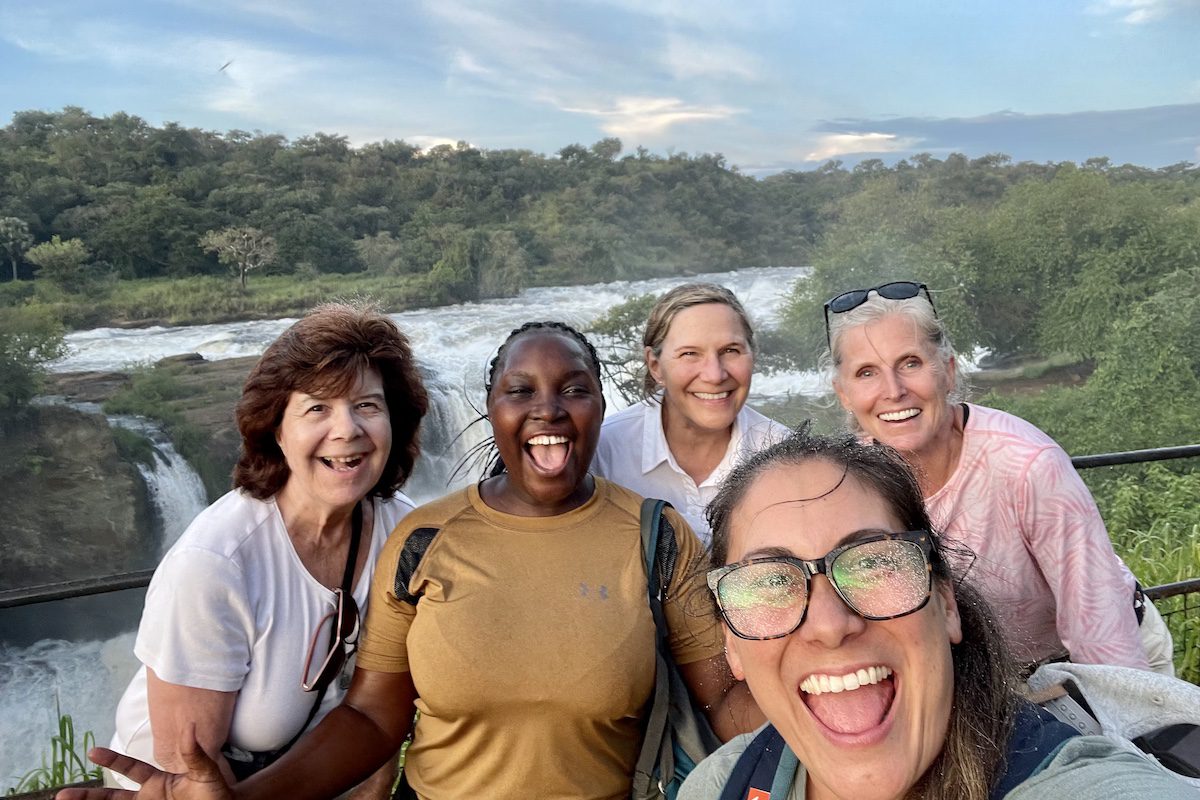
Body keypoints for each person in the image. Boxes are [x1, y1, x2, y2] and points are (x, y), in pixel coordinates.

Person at [63, 321, 760, 800]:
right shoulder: (423, 539)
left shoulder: (656, 536)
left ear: (601, 406)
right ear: (489, 408)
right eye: (520, 391)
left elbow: (725, 697)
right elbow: (372, 718)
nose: (547, 410)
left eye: (573, 389)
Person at [681, 427, 1200, 800]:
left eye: (875, 564)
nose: (830, 625)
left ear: (947, 604)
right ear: (733, 644)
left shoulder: (1072, 781)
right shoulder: (720, 784)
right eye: (770, 582)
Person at [103, 302, 429, 798]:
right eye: (317, 408)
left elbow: (387, 709)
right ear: (277, 430)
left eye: (367, 405)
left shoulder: (400, 530)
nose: (347, 430)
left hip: (308, 773)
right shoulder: (215, 564)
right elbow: (192, 767)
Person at [821, 281, 1172, 673]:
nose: (894, 390)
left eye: (911, 363)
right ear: (844, 394)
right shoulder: (850, 481)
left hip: (1089, 661)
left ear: (948, 372)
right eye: (867, 372)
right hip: (987, 678)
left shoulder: (1027, 464)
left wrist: (1121, 724)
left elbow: (1101, 631)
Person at [592, 283, 790, 548]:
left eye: (730, 350)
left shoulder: (785, 454)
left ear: (753, 354)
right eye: (689, 354)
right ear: (655, 366)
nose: (715, 374)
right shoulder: (605, 452)